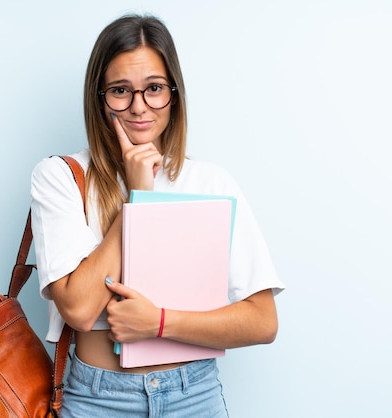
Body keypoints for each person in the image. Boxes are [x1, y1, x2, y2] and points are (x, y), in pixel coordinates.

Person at [30, 14, 285, 417]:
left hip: (194, 395)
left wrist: (159, 322)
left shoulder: (211, 182)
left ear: (174, 94)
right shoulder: (62, 178)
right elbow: (78, 310)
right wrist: (135, 198)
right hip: (99, 399)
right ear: (99, 98)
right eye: (120, 91)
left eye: (153, 89)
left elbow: (262, 321)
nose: (138, 107)